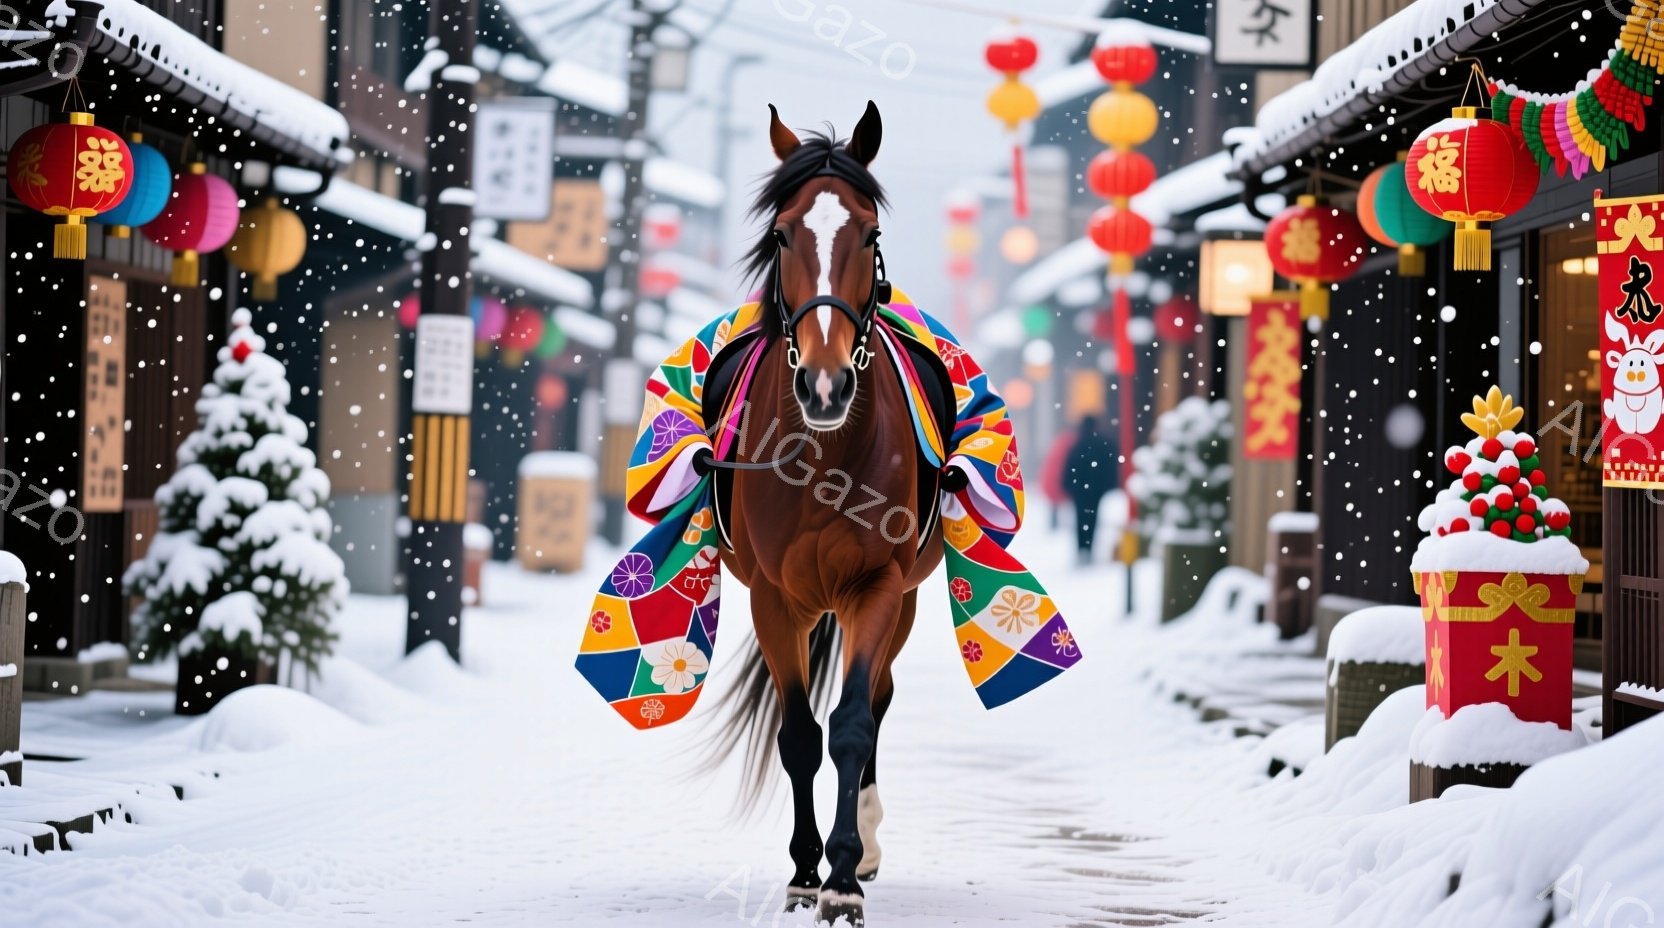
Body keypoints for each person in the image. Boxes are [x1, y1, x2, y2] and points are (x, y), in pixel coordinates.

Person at [1064, 415, 1117, 564]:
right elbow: (1109, 467)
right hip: (1095, 491)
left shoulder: (1078, 443)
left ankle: (1082, 549)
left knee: (1080, 519)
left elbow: (1070, 467)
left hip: (1080, 491)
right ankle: (1088, 547)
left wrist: (1069, 486)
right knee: (1092, 518)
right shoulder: (1103, 443)